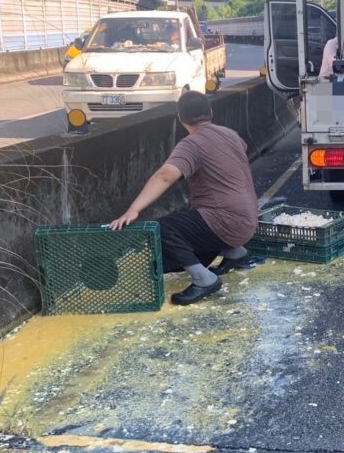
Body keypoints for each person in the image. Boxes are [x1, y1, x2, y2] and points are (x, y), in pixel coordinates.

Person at [110, 91, 258, 305]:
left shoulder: (191, 144)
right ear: (211, 113)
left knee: (161, 228)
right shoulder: (231, 134)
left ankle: (204, 279)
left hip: (226, 222)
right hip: (248, 220)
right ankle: (236, 253)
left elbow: (165, 176)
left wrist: (133, 209)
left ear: (181, 118)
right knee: (190, 218)